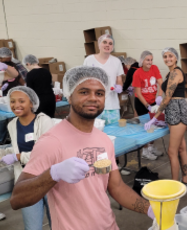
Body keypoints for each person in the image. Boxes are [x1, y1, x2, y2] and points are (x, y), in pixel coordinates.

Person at [10, 66, 154, 230]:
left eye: (99, 93)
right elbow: (17, 199)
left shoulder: (104, 140)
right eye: (84, 92)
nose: (93, 98)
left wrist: (150, 208)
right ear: (69, 97)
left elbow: (117, 187)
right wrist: (53, 174)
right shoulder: (51, 142)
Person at [0, 86, 53, 229]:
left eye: (21, 101)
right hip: (26, 180)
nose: (16, 105)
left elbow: (45, 154)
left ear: (32, 103)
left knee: (57, 223)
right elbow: (20, 147)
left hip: (48, 177)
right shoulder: (12, 125)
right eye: (12, 101)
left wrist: (17, 156)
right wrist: (5, 153)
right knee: (32, 226)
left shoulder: (44, 121)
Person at [145, 47, 187, 187]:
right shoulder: (170, 73)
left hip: (176, 110)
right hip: (173, 109)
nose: (167, 59)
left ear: (176, 58)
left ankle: (174, 185)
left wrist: (155, 117)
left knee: (172, 151)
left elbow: (168, 97)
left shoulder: (175, 73)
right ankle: (186, 180)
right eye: (165, 56)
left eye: (170, 56)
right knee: (181, 148)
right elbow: (165, 93)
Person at [83, 34, 123, 125]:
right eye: (104, 42)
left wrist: (119, 87)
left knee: (114, 133)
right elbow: (83, 80)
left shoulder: (116, 61)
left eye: (110, 43)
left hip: (112, 105)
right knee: (93, 133)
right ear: (99, 44)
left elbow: (119, 80)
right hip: (93, 104)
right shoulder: (89, 60)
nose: (107, 45)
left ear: (112, 47)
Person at [132, 51, 163, 160]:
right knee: (145, 127)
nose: (150, 62)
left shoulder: (154, 68)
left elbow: (161, 83)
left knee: (154, 125)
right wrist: (147, 106)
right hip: (141, 103)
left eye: (151, 59)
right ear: (142, 61)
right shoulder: (137, 73)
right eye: (147, 60)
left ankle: (151, 147)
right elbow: (138, 93)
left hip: (153, 101)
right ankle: (145, 151)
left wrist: (159, 96)